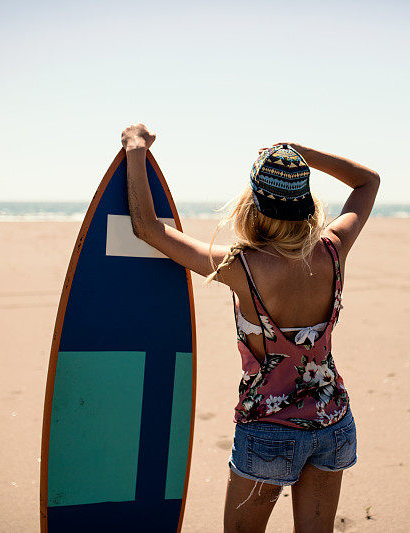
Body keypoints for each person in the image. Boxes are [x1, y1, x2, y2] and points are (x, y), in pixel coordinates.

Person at [121, 123, 379, 532]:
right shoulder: (334, 248)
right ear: (306, 204)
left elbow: (147, 228)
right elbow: (368, 181)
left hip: (268, 430)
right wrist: (300, 156)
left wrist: (135, 149)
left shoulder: (241, 267)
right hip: (333, 421)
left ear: (253, 205)